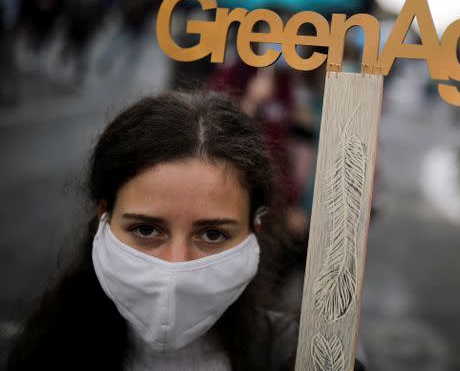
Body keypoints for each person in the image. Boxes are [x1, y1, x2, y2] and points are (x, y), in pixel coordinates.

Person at [5, 91, 365, 370]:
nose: (175, 267)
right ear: (104, 217)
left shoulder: (297, 356)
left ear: (255, 228)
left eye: (212, 235)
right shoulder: (43, 351)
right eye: (146, 229)